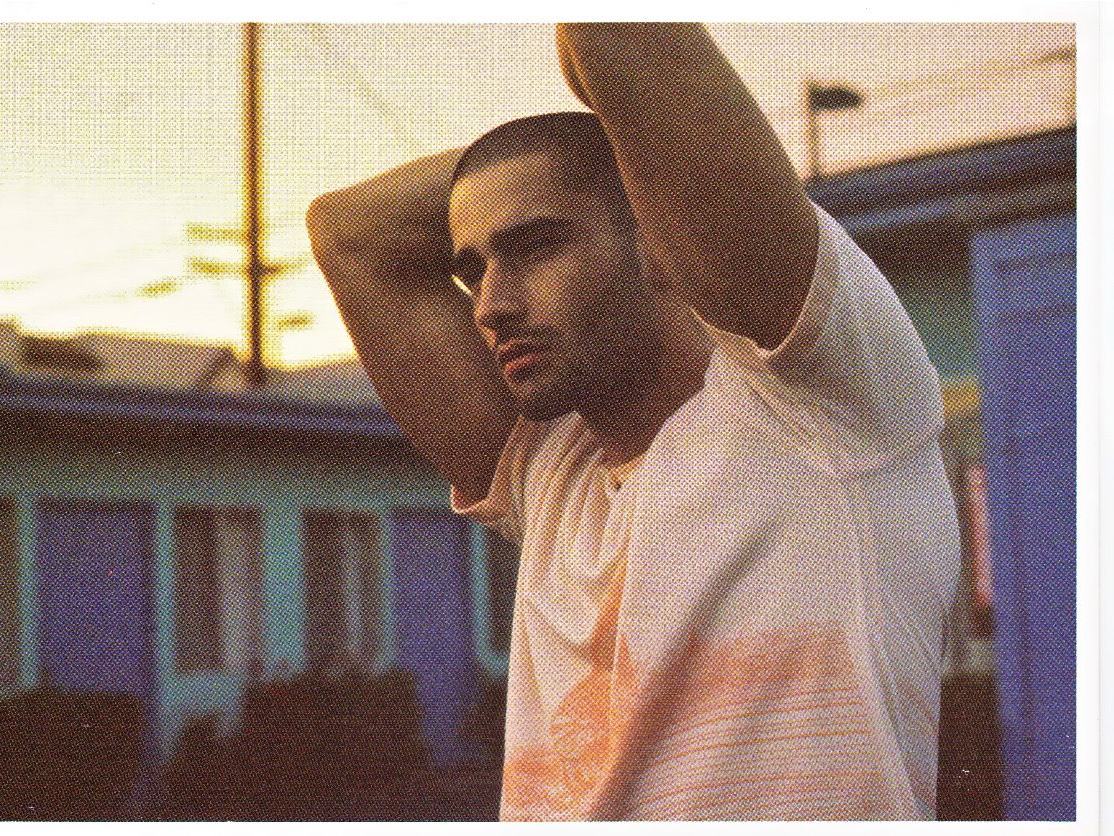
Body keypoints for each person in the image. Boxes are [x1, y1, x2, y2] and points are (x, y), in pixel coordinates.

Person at [306, 23, 961, 821]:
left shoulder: (818, 402)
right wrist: (561, 156)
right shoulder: (551, 476)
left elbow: (614, 33)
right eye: (472, 270)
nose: (489, 306)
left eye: (535, 247)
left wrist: (640, 149)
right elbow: (350, 232)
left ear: (658, 241)